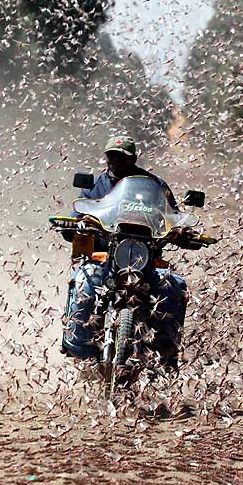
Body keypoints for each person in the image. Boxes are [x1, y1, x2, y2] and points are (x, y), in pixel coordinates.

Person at [60, 135, 187, 370]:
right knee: (85, 281)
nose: (116, 161)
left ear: (134, 159)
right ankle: (80, 348)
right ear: (106, 157)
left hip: (145, 257)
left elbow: (172, 215)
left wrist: (183, 232)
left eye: (122, 157)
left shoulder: (155, 185)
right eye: (112, 156)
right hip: (105, 255)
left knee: (173, 287)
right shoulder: (96, 186)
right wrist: (74, 224)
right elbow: (79, 212)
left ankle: (168, 354)